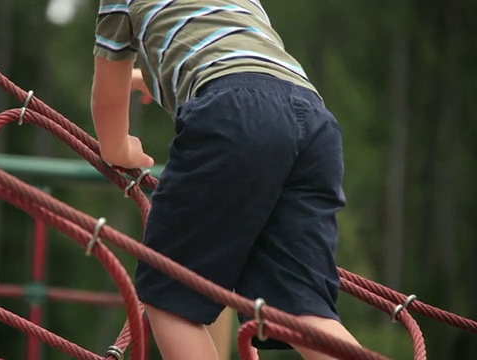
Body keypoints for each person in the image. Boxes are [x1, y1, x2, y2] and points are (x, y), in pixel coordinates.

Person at [90, 1, 361, 359]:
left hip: (232, 112)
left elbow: (108, 98)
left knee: (170, 294)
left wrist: (122, 150)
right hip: (312, 120)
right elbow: (230, 52)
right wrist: (152, 79)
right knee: (301, 308)